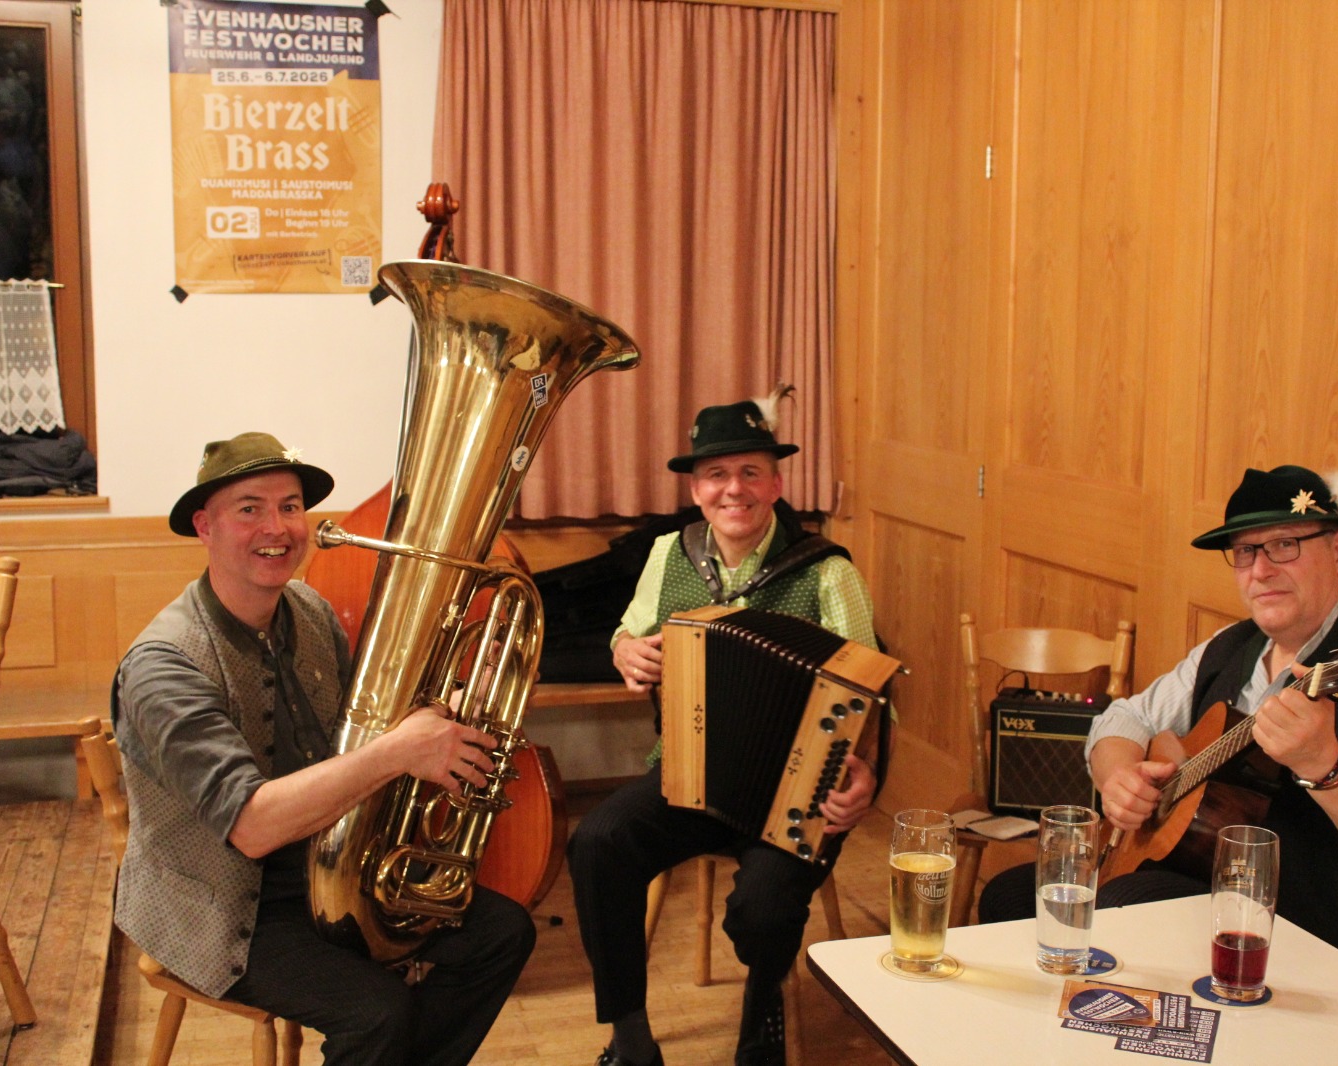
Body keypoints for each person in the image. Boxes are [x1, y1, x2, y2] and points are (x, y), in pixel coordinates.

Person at [113, 432, 536, 1065]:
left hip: (326, 866)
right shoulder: (164, 666)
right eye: (249, 509)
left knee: (502, 933)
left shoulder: (307, 608)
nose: (277, 527)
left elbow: (353, 737)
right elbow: (252, 827)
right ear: (205, 526)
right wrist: (398, 752)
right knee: (377, 1013)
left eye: (290, 507)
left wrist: (450, 712)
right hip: (221, 907)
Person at [976, 465, 1338, 1002]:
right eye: (1244, 552)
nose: (1260, 570)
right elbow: (1123, 720)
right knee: (1014, 897)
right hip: (1222, 901)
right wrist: (1119, 777)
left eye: (1283, 545)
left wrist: (1328, 766)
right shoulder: (1230, 647)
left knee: (1126, 905)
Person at [568, 398, 881, 1066]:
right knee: (597, 843)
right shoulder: (668, 554)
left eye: (750, 472)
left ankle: (763, 1011)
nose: (733, 489)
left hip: (799, 788)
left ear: (776, 483)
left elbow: (868, 689)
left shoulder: (827, 570)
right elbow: (629, 632)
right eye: (716, 474)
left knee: (762, 912)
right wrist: (625, 650)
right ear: (695, 489)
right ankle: (630, 1036)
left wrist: (864, 775)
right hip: (688, 772)